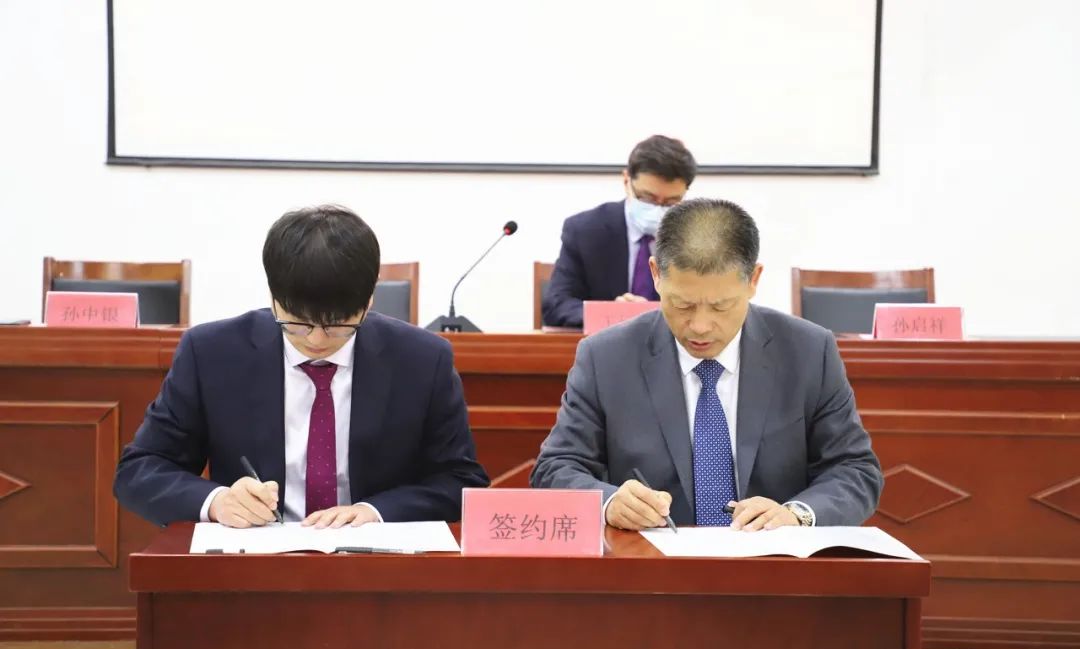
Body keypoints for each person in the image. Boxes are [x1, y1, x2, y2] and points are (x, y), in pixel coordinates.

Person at [114, 205, 489, 528]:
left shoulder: (422, 360)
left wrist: (376, 512)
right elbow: (140, 469)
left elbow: (461, 480)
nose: (317, 340)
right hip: (254, 566)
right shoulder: (212, 353)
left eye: (338, 325)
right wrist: (217, 501)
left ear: (369, 302)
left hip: (375, 566)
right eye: (297, 323)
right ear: (274, 298)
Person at [531, 198, 882, 530]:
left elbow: (854, 469)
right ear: (656, 274)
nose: (699, 326)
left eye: (720, 306)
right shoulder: (606, 357)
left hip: (772, 562)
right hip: (652, 565)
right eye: (682, 305)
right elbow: (555, 467)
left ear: (753, 280)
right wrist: (609, 503)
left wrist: (796, 515)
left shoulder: (808, 351)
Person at [541, 135, 697, 328]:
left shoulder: (698, 239)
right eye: (647, 198)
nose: (657, 208)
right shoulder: (586, 231)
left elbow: (714, 307)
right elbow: (556, 305)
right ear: (626, 181)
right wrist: (613, 314)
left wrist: (660, 314)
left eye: (671, 202)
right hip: (605, 344)